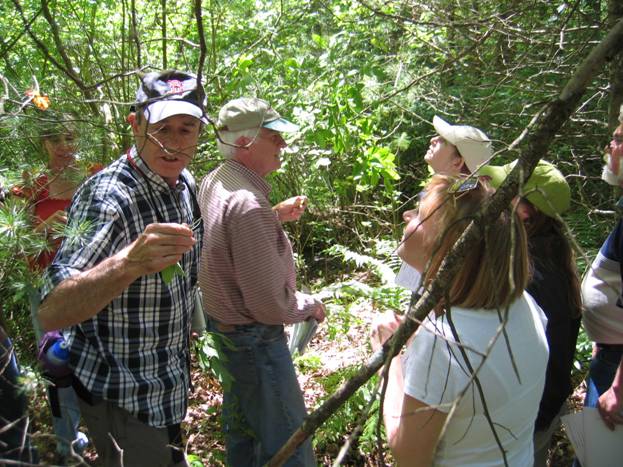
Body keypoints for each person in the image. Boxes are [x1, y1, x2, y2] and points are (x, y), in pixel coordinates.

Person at [37, 70, 205, 467]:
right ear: (135, 124)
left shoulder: (184, 184)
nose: (174, 143)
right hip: (122, 396)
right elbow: (51, 310)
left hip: (168, 388)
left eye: (187, 128)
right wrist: (128, 264)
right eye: (161, 127)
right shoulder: (108, 196)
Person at [371, 174, 549, 466]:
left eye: (419, 214)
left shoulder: (441, 346)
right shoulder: (525, 307)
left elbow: (408, 456)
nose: (406, 215)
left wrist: (390, 362)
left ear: (447, 246)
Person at [198, 97, 325, 467]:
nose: (282, 145)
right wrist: (309, 306)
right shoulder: (247, 204)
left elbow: (226, 239)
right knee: (289, 446)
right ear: (243, 143)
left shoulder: (217, 181)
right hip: (256, 343)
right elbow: (270, 305)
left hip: (230, 338)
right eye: (273, 137)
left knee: (246, 436)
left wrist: (272, 217)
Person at [482, 160, 581, 466]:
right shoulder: (552, 257)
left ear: (526, 212)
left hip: (528, 417)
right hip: (543, 405)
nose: (496, 196)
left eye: (506, 192)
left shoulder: (529, 276)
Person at [12, 113, 92, 463]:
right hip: (44, 287)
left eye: (70, 138)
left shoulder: (95, 178)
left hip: (92, 283)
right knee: (57, 362)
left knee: (96, 358)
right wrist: (42, 227)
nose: (64, 146)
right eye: (56, 139)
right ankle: (67, 444)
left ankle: (108, 433)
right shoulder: (31, 189)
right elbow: (13, 244)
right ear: (45, 144)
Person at [396, 115, 492, 292]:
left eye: (444, 140)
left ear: (458, 161)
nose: (433, 139)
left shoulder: (460, 198)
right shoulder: (456, 192)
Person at [581, 110, 623, 433]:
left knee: (598, 458)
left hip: (617, 371)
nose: (610, 147)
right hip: (611, 353)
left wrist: (619, 389)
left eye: (620, 140)